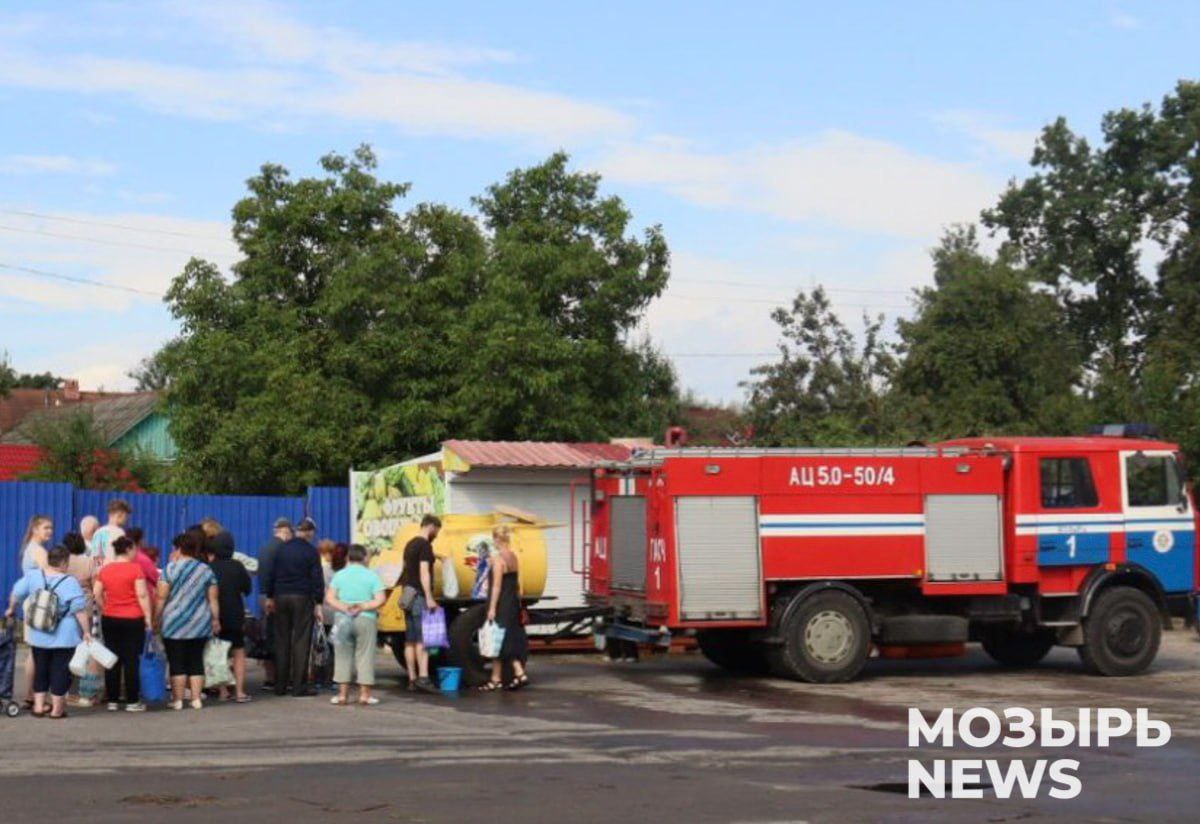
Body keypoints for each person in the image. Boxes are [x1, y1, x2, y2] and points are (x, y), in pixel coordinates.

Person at [5, 545, 91, 719]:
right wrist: (87, 632)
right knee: (61, 670)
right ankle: (56, 710)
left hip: (38, 634)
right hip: (64, 637)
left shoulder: (34, 576)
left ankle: (38, 707)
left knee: (41, 669)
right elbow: (79, 610)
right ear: (64, 562)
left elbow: (16, 593)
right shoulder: (70, 582)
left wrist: (11, 609)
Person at [157, 532, 220, 711]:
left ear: (180, 549)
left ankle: (177, 700)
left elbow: (161, 598)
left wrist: (156, 618)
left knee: (176, 661)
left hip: (173, 622)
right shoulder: (206, 570)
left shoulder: (170, 569)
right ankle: (196, 699)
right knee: (196, 661)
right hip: (200, 622)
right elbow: (213, 599)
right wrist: (215, 619)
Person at [263, 519, 323, 697]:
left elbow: (271, 573)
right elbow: (316, 578)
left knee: (282, 640)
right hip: (302, 597)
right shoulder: (311, 551)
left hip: (281, 596)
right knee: (301, 641)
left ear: (297, 531)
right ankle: (299, 687)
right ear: (310, 533)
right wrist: (318, 602)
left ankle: (280, 686)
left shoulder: (282, 549)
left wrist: (270, 596)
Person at [94, 536, 154, 711]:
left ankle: (112, 700)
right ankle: (132, 701)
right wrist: (148, 618)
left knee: (112, 659)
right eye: (134, 549)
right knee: (131, 660)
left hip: (110, 618)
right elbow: (142, 595)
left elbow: (97, 593)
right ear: (128, 549)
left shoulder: (105, 570)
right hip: (133, 619)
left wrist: (104, 606)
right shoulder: (135, 569)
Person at [325, 544, 385, 706]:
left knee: (342, 655)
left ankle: (342, 695)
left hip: (342, 618)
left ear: (348, 557)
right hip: (366, 618)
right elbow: (380, 599)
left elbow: (330, 598)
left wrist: (345, 607)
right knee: (365, 655)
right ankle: (365, 695)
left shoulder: (339, 575)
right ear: (364, 557)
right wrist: (363, 606)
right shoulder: (372, 576)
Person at [481, 524, 530, 691]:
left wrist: (492, 608)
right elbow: (514, 582)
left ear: (497, 539)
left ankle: (512, 675)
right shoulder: (513, 557)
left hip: (502, 604)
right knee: (504, 641)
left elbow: (496, 587)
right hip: (512, 604)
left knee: (498, 641)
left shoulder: (499, 560)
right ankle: (501, 678)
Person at [206, 530, 252, 703]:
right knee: (238, 652)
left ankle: (223, 691)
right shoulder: (238, 566)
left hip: (214, 615)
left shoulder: (210, 568)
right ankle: (240, 692)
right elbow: (247, 589)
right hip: (235, 614)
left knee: (219, 653)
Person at [399, 514, 441, 694]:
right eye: (437, 531)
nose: (437, 534)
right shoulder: (425, 545)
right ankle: (424, 678)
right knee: (422, 639)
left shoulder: (409, 544)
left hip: (407, 596)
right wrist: (430, 597)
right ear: (431, 526)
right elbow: (424, 572)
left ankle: (412, 679)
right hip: (419, 597)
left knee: (410, 640)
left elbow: (404, 569)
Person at [16, 515, 53, 706]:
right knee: (39, 651)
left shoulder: (30, 548)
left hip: (33, 601)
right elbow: (50, 575)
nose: (50, 531)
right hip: (40, 603)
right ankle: (35, 693)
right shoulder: (38, 551)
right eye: (46, 528)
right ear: (35, 529)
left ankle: (31, 693)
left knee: (34, 650)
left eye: (51, 528)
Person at [255, 518, 294, 692]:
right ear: (285, 532)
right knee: (284, 637)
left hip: (263, 596)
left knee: (268, 638)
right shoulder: (284, 549)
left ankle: (269, 678)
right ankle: (284, 678)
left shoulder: (264, 548)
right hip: (277, 596)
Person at [62, 532, 97, 707]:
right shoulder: (89, 562)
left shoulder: (62, 562)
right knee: (81, 651)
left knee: (64, 650)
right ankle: (76, 691)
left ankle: (61, 690)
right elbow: (95, 586)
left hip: (64, 610)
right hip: (85, 609)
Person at [91, 498, 131, 565]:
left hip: (99, 572)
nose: (126, 520)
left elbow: (95, 559)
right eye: (126, 516)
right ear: (120, 515)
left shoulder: (98, 532)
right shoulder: (120, 533)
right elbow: (122, 558)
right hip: (114, 571)